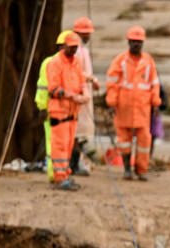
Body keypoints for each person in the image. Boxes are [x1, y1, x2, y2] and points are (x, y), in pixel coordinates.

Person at [106, 25, 161, 181]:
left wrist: (156, 103)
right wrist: (111, 103)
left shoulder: (148, 61)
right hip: (124, 108)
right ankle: (127, 169)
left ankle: (142, 170)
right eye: (134, 41)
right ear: (128, 42)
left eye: (139, 42)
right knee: (124, 140)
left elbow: (154, 83)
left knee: (144, 140)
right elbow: (112, 83)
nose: (136, 44)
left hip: (143, 109)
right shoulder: (120, 61)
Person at [46, 31, 88, 190]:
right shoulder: (55, 63)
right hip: (59, 111)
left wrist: (84, 93)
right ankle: (59, 177)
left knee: (69, 144)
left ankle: (66, 174)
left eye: (76, 48)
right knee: (59, 145)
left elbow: (81, 81)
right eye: (71, 48)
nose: (73, 51)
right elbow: (53, 89)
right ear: (64, 46)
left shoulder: (76, 62)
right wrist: (71, 96)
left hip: (72, 112)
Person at [35, 30, 71, 182]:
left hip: (67, 111)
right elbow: (43, 86)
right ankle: (54, 173)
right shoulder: (50, 63)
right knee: (53, 143)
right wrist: (42, 107)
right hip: (52, 110)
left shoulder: (71, 64)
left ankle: (62, 173)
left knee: (65, 143)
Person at [71, 16, 100, 176]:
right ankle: (74, 165)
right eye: (87, 33)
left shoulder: (83, 50)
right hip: (79, 98)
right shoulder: (76, 51)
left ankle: (76, 164)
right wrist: (91, 79)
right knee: (78, 134)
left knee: (80, 133)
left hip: (85, 97)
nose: (89, 36)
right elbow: (75, 72)